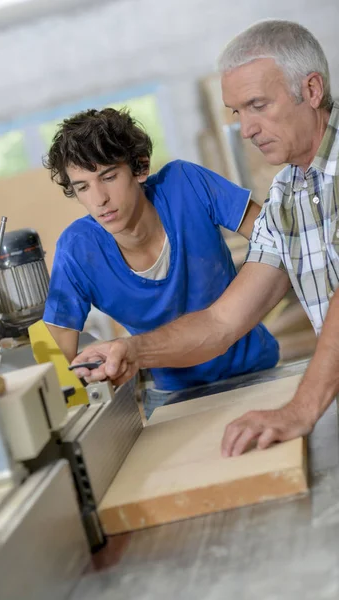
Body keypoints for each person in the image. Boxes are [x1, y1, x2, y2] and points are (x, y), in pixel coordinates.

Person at [72, 19, 339, 454]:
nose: (246, 129)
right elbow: (221, 322)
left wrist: (301, 408)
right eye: (237, 112)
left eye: (257, 105)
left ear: (311, 90)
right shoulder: (288, 195)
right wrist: (132, 350)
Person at [43, 107, 279, 418]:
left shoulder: (186, 184)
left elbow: (277, 240)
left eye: (109, 176)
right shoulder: (77, 250)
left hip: (255, 370)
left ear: (139, 168)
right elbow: (55, 363)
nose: (99, 199)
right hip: (173, 396)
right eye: (82, 187)